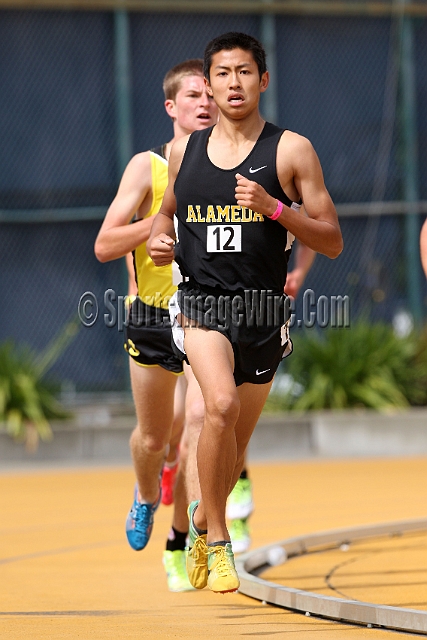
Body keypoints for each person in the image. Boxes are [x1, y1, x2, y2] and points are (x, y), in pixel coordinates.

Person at [147, 32, 343, 594]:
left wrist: (275, 209)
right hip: (201, 303)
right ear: (209, 83)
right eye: (223, 74)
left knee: (234, 445)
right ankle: (216, 540)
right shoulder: (183, 152)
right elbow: (166, 218)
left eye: (244, 73)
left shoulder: (291, 151)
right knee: (219, 406)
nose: (234, 84)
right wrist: (162, 242)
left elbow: (331, 240)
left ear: (263, 79)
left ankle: (205, 523)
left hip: (261, 311)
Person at [94, 59, 218, 592]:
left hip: (207, 314)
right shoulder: (147, 167)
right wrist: (159, 223)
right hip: (151, 314)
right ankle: (147, 496)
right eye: (195, 94)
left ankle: (196, 537)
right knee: (153, 437)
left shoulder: (232, 163)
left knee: (198, 426)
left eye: (211, 94)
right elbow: (104, 245)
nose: (206, 102)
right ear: (172, 106)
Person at [227, 240, 316, 554]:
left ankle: (236, 496)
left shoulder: (272, 194)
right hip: (199, 305)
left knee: (232, 421)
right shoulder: (189, 191)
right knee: (198, 417)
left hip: (258, 312)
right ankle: (200, 528)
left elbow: (314, 223)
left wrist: (299, 272)